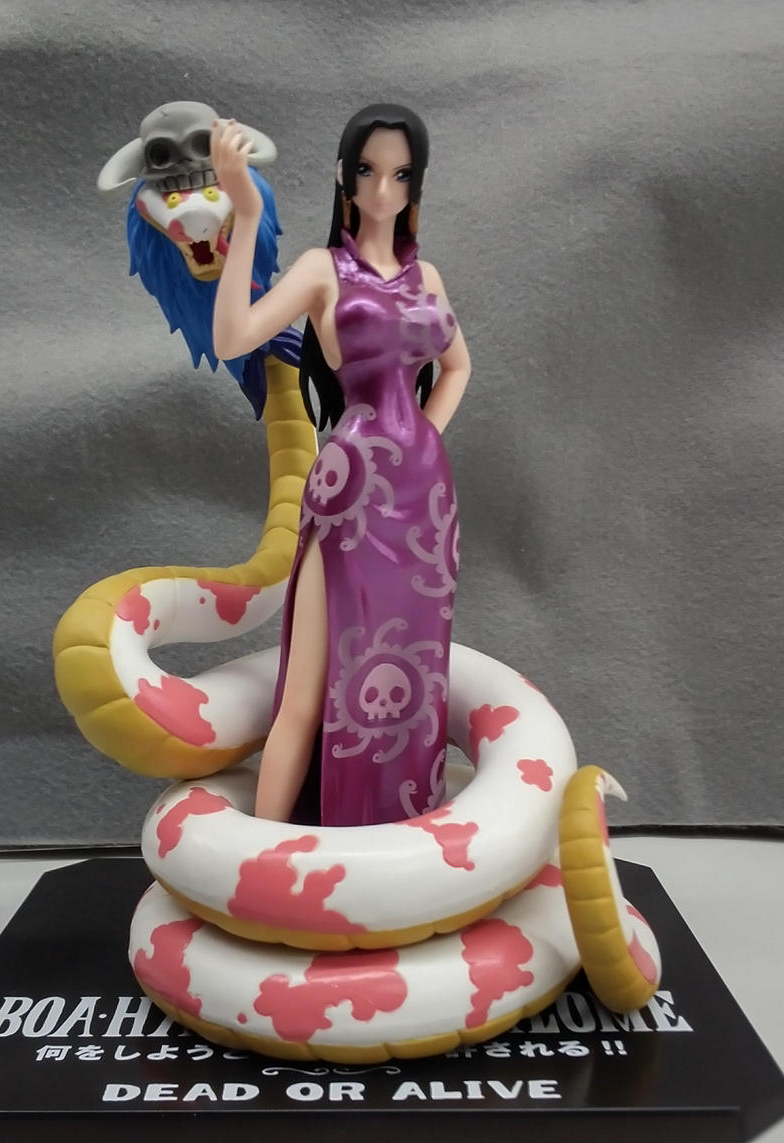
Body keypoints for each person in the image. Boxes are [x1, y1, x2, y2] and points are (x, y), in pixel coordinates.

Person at [211, 104, 470, 826]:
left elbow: (458, 366)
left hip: (423, 500)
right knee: (309, 685)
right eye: (367, 170)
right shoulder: (323, 270)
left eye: (400, 174)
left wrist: (420, 440)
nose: (383, 189)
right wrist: (246, 215)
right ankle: (262, 852)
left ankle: (392, 837)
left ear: (416, 183)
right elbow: (233, 337)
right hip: (352, 489)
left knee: (414, 673)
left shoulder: (427, 277)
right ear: (343, 176)